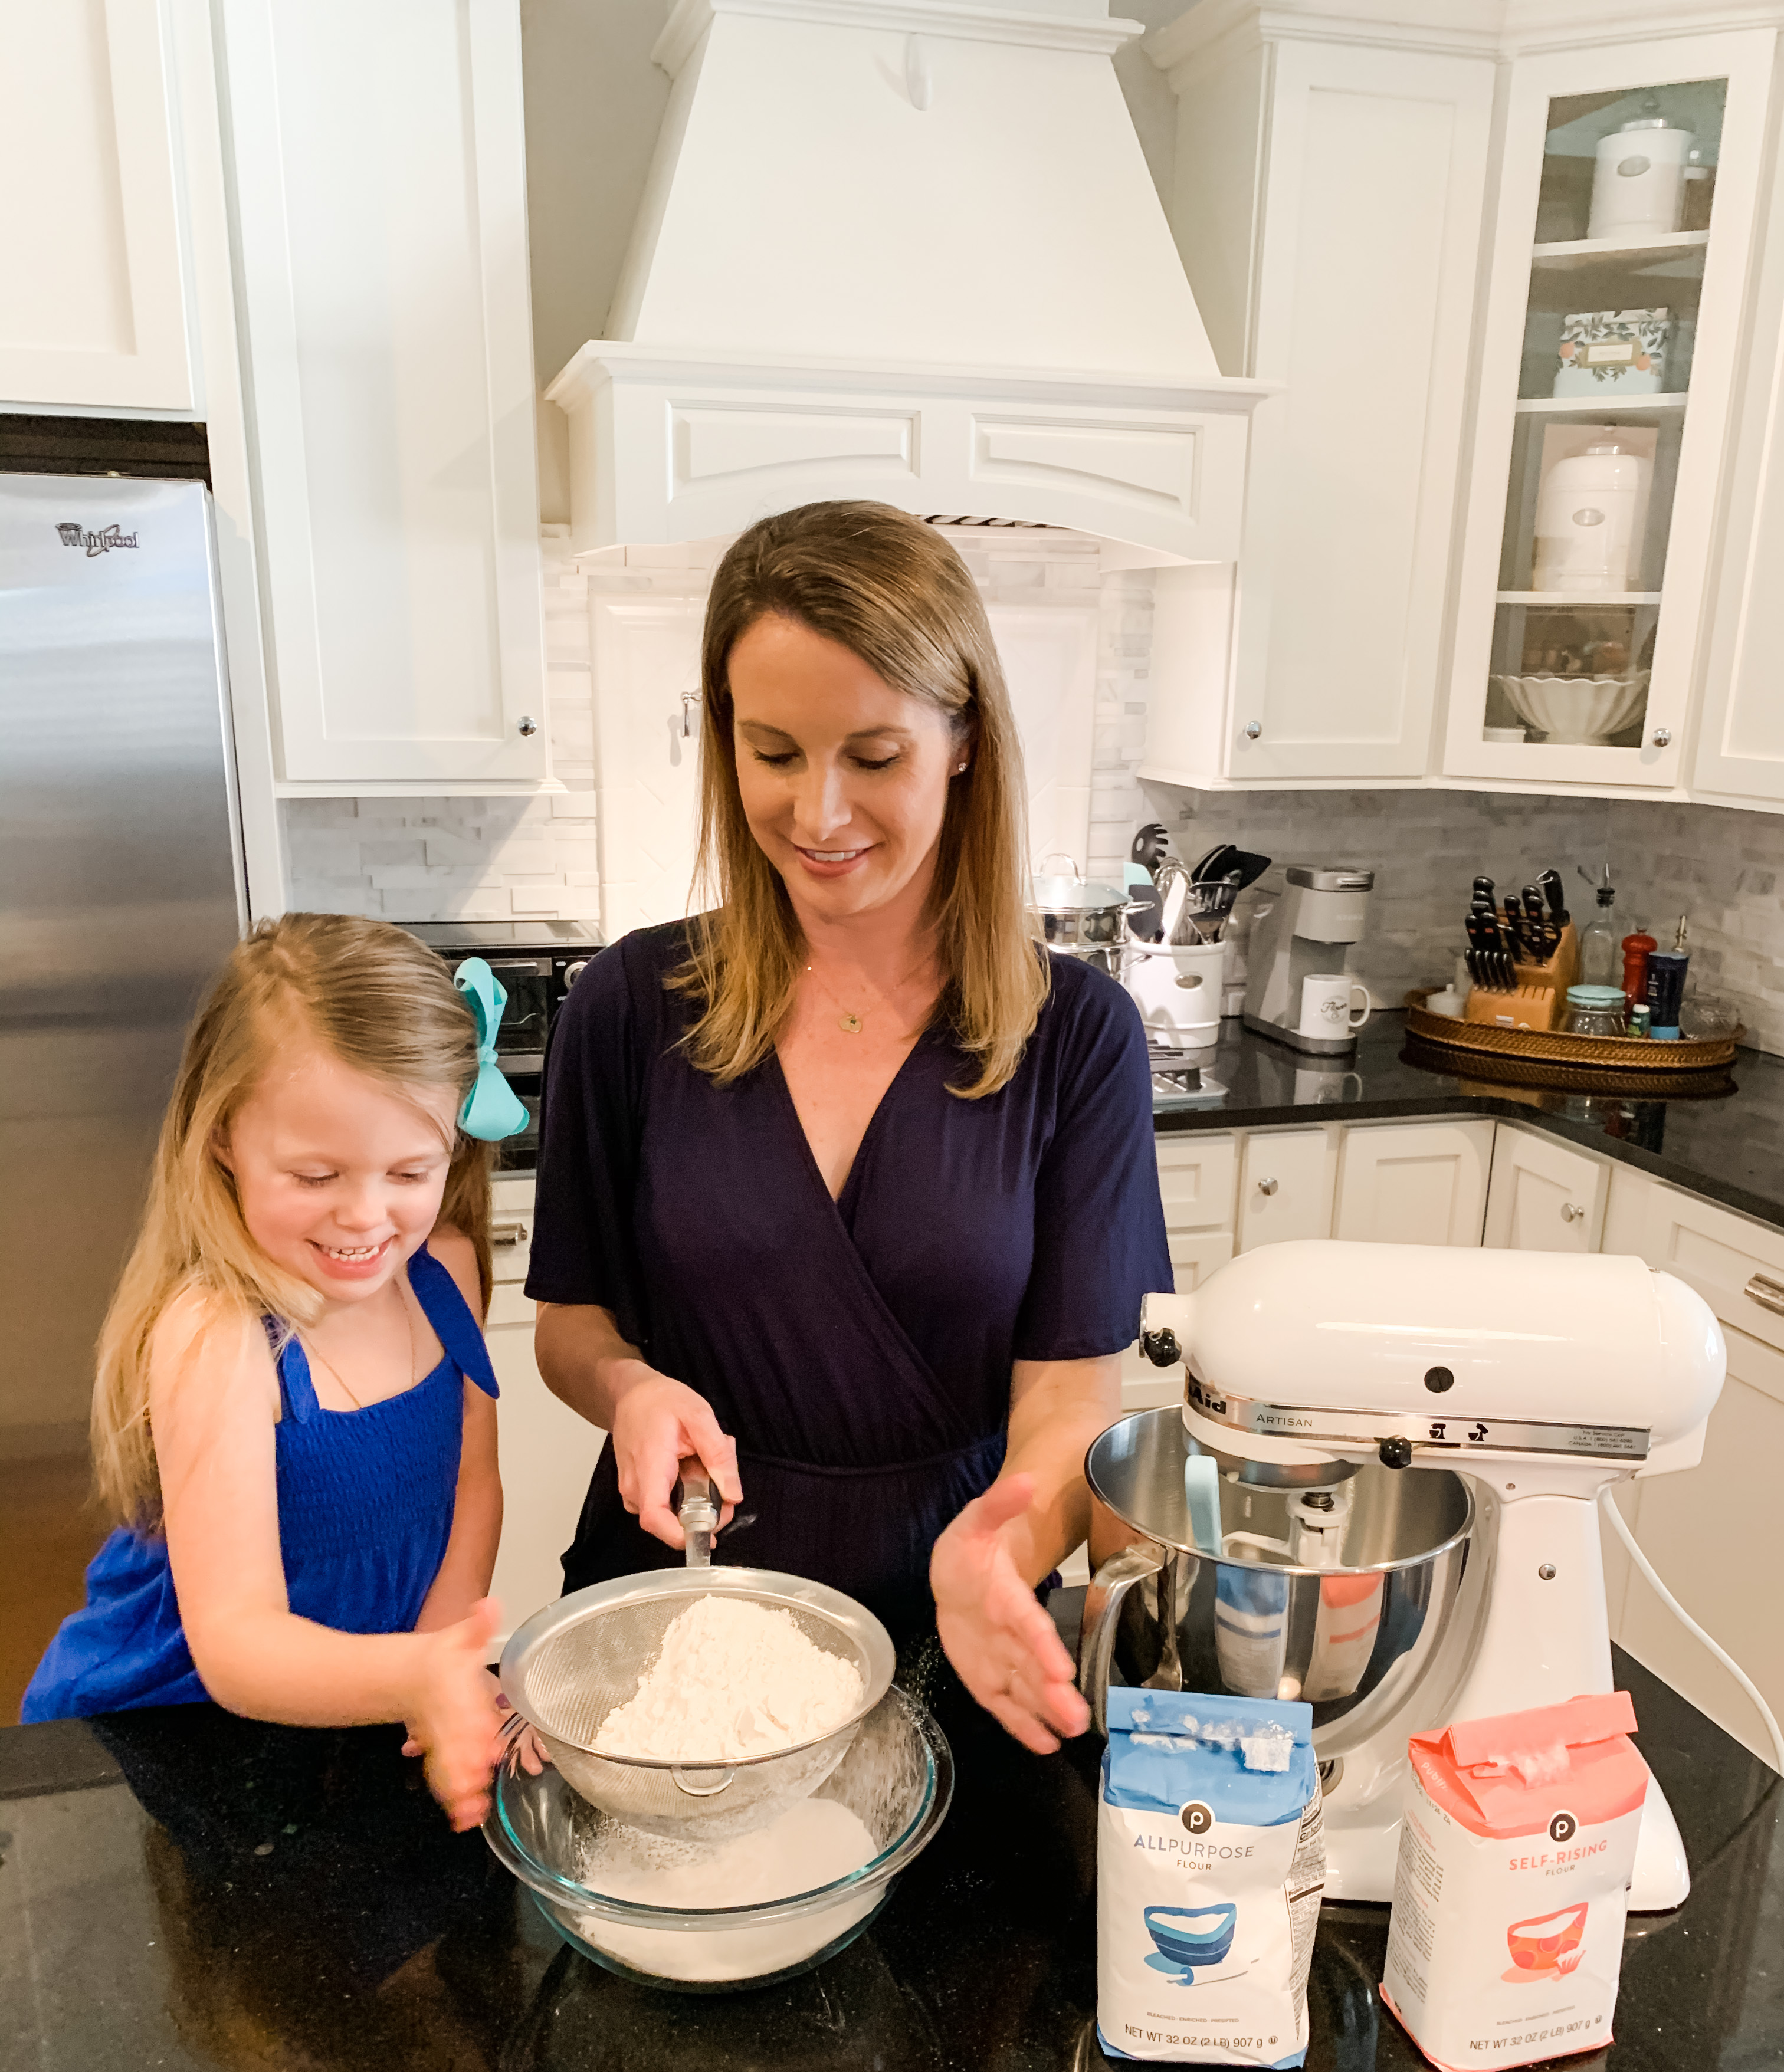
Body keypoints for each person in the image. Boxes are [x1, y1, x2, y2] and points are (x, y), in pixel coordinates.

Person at [527, 501, 1171, 1754]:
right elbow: (570, 1324)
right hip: (676, 1611)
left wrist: (1005, 1538)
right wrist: (630, 1389)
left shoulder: (1079, 1036)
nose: (820, 815)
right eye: (774, 754)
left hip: (952, 1622)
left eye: (873, 758)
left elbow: (1070, 1397)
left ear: (965, 741)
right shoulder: (625, 1007)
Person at [22, 914, 526, 1831]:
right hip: (173, 1741)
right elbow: (239, 1646)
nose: (366, 1216)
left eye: (409, 1170)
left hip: (355, 1714)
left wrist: (439, 1655)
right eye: (316, 1174)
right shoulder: (218, 1338)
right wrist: (413, 1678)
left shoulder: (444, 1268)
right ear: (222, 1139)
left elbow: (474, 1482)